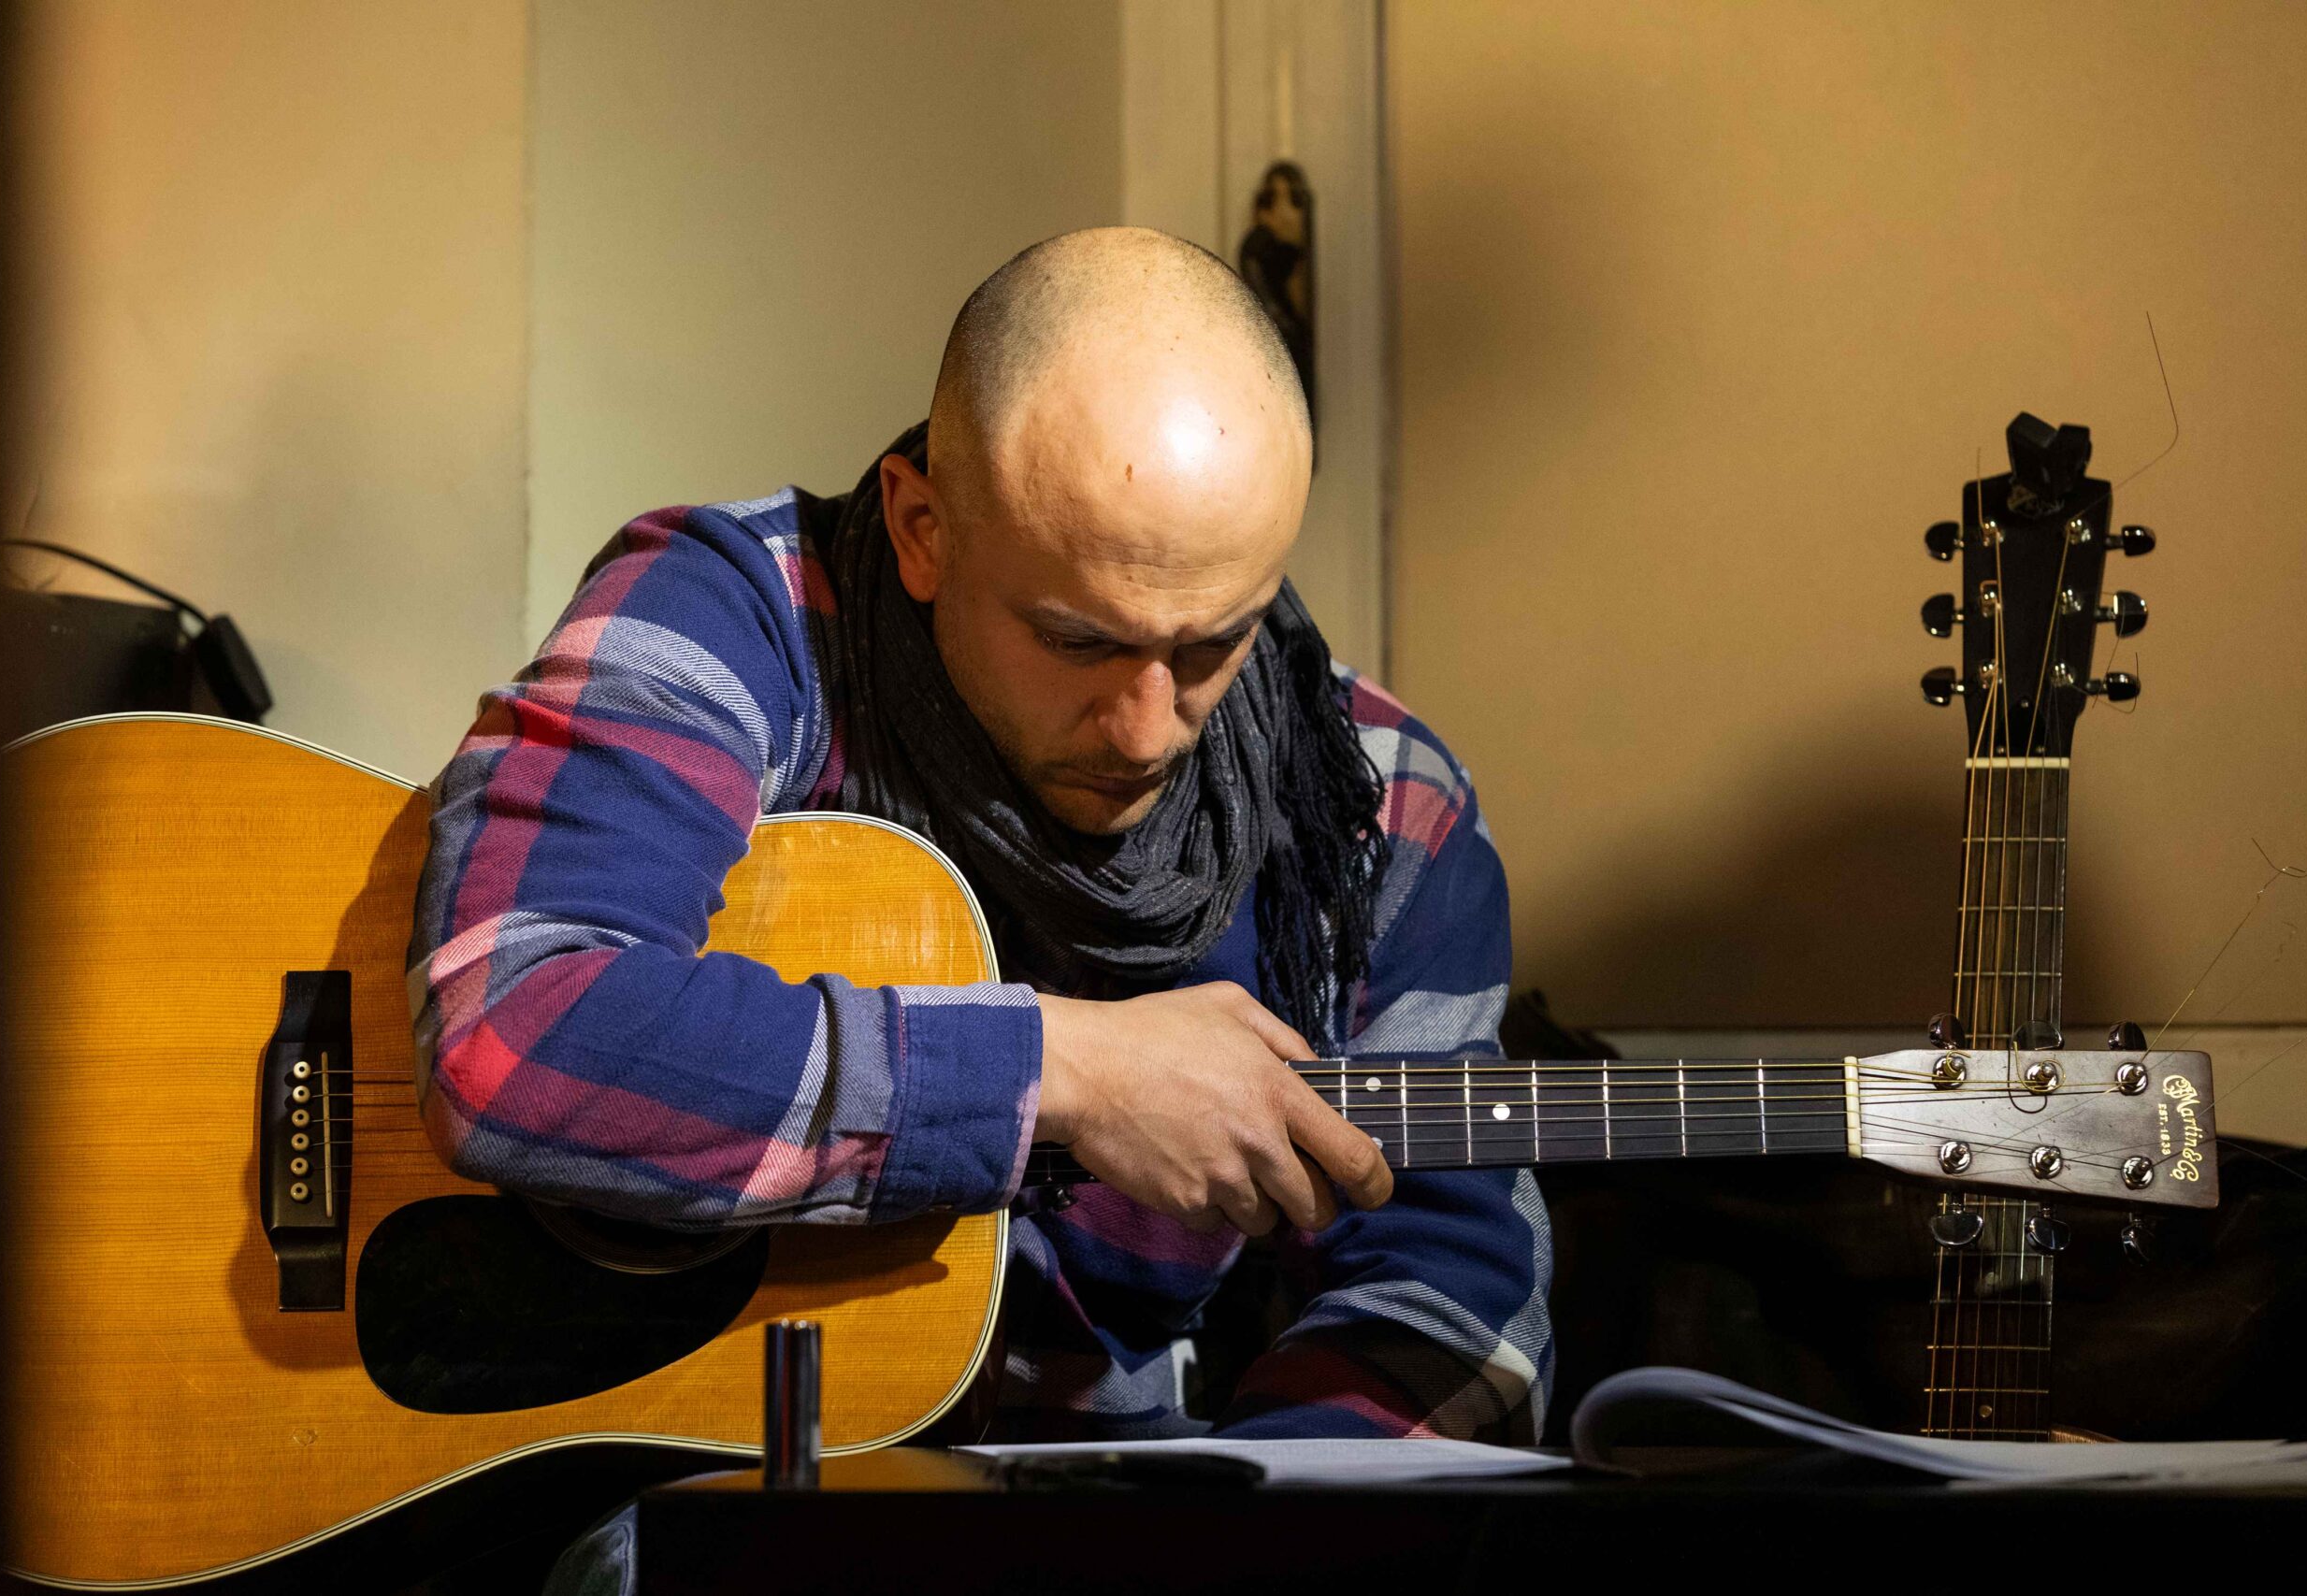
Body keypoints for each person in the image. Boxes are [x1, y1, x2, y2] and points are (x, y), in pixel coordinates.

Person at [408, 227, 1550, 1460]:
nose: (1146, 728)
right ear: (922, 529)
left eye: (1214, 642)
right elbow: (514, 1033)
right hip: (675, 1483)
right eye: (1077, 640)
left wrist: (1251, 1512)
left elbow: (1452, 1284)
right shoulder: (736, 615)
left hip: (1118, 1494)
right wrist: (1067, 1071)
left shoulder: (1377, 806)